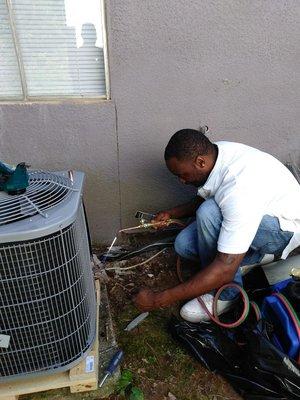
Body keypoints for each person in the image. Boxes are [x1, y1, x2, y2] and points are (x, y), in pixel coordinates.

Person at [133, 128, 300, 322]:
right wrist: (172, 213)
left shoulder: (239, 190)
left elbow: (225, 267)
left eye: (182, 174)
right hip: (257, 213)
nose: (181, 181)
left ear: (200, 163)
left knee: (209, 213)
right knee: (184, 245)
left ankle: (226, 293)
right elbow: (212, 193)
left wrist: (157, 300)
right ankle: (250, 256)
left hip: (284, 229)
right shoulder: (216, 154)